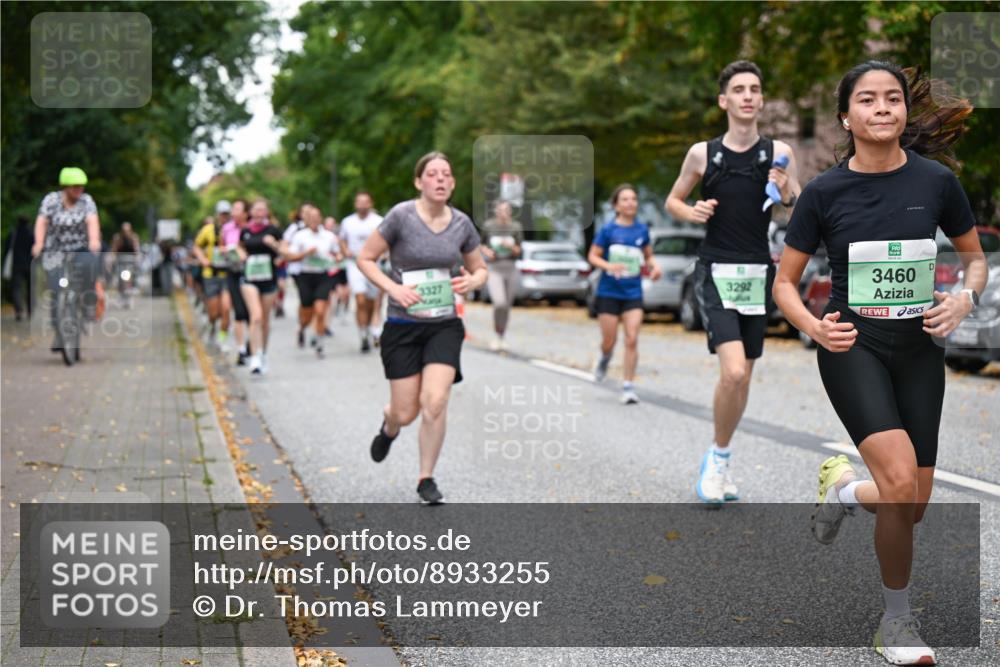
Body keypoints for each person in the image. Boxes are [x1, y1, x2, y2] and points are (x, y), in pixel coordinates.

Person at [774, 61, 986, 666]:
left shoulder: (936, 184)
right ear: (847, 116)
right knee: (897, 485)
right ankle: (897, 623)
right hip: (853, 347)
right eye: (868, 99)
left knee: (910, 505)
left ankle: (843, 490)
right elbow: (785, 284)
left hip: (920, 350)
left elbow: (975, 261)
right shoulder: (824, 193)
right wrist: (814, 326)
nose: (883, 107)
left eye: (893, 98)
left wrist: (963, 299)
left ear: (903, 113)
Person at [665, 60, 801, 505]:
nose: (747, 96)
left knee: (744, 380)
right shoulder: (703, 154)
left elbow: (797, 206)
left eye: (755, 89)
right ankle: (717, 457)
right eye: (738, 89)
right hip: (716, 271)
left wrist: (786, 191)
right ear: (724, 100)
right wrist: (692, 211)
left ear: (761, 100)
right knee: (734, 369)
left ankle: (721, 459)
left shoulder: (778, 152)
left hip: (757, 271)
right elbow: (673, 199)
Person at [357, 152, 487, 504]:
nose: (441, 179)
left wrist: (472, 282)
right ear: (419, 182)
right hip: (402, 325)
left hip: (444, 324)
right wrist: (393, 288)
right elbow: (365, 258)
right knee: (406, 411)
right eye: (433, 174)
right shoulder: (400, 217)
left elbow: (479, 269)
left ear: (453, 183)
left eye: (447, 174)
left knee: (435, 401)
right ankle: (390, 425)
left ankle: (426, 477)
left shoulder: (461, 223)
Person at [588, 184, 662, 405]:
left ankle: (628, 386)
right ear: (616, 205)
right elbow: (593, 256)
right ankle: (605, 358)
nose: (631, 203)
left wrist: (654, 267)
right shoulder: (608, 230)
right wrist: (609, 267)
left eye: (634, 199)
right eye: (625, 199)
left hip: (633, 292)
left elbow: (648, 256)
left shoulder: (641, 230)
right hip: (609, 292)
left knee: (632, 338)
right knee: (609, 340)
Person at [32, 167, 102, 356]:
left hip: (79, 248)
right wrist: (38, 243)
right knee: (56, 292)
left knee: (89, 267)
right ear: (65, 186)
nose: (79, 189)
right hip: (55, 251)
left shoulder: (86, 201)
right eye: (75, 186)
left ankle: (87, 303)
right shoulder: (51, 200)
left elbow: (92, 221)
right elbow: (42, 221)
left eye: (81, 186)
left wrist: (94, 240)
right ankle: (59, 333)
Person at [285, 204, 340, 357]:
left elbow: (337, 254)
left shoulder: (328, 236)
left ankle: (319, 344)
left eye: (317, 217)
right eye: (311, 218)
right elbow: (291, 257)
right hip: (305, 276)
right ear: (307, 220)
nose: (314, 220)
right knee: (307, 313)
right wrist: (306, 253)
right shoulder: (300, 236)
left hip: (323, 276)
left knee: (321, 310)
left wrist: (338, 258)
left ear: (320, 218)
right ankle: (302, 328)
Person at [238, 200, 282, 375]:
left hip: (269, 279)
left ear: (266, 213)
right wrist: (242, 255)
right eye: (256, 210)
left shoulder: (274, 230)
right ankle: (255, 356)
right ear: (251, 212)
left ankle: (263, 352)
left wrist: (274, 245)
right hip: (250, 278)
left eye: (262, 210)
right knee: (255, 316)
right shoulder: (246, 231)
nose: (259, 213)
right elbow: (240, 249)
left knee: (264, 320)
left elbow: (285, 252)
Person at [340, 191, 385, 352]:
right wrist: (345, 251)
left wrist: (384, 254)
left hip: (374, 264)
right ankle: (363, 334)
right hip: (355, 264)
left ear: (370, 203)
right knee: (360, 299)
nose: (362, 205)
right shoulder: (348, 222)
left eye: (365, 202)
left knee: (372, 301)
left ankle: (370, 326)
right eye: (359, 202)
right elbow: (342, 240)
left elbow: (387, 241)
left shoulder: (379, 221)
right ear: (355, 204)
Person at [479, 200, 524, 351]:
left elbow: (519, 250)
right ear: (496, 211)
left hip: (510, 267)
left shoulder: (516, 227)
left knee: (507, 306)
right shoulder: (489, 226)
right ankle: (496, 333)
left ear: (510, 212)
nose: (503, 213)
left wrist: (511, 246)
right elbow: (481, 245)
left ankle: (501, 336)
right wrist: (487, 252)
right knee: (499, 302)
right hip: (494, 267)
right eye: (501, 210)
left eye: (506, 210)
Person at [193, 203, 232, 346]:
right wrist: (203, 260)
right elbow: (196, 246)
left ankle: (223, 339)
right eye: (222, 214)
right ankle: (211, 325)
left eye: (227, 214)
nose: (224, 217)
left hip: (228, 274)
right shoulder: (208, 230)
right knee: (214, 312)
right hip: (211, 274)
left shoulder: (233, 230)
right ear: (217, 214)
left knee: (226, 309)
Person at [222, 199, 251, 364]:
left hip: (251, 273)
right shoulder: (227, 229)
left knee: (251, 314)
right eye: (233, 208)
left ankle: (250, 344)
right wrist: (225, 251)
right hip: (233, 272)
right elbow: (221, 247)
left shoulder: (251, 229)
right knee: (238, 312)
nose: (234, 212)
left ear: (246, 213)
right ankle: (241, 350)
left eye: (237, 209)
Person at [3, 215, 34, 320]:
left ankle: (19, 310)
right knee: (31, 289)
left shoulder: (13, 234)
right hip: (30, 265)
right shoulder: (32, 234)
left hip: (16, 266)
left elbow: (7, 251)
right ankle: (30, 311)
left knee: (16, 288)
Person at [325, 215, 350, 325]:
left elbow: (347, 251)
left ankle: (342, 308)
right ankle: (326, 322)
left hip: (342, 268)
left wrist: (341, 255)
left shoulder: (341, 237)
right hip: (329, 269)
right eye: (328, 224)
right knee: (331, 295)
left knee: (344, 294)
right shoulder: (322, 237)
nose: (330, 226)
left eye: (332, 224)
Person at [110, 221, 141, 308]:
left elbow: (136, 249)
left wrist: (137, 258)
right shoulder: (117, 238)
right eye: (124, 230)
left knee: (130, 278)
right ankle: (121, 297)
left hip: (130, 261)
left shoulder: (134, 237)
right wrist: (112, 259)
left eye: (127, 230)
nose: (126, 232)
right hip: (120, 261)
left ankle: (130, 296)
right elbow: (114, 249)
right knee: (120, 280)